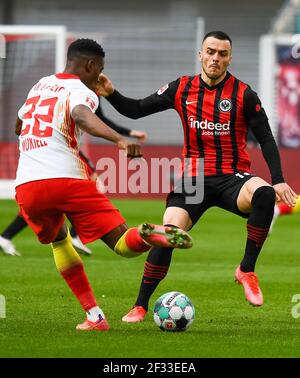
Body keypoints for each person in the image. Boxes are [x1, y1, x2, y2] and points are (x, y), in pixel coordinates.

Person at [96, 30, 297, 322]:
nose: (216, 58)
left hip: (233, 176)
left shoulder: (244, 94)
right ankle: (140, 304)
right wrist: (112, 94)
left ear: (229, 59)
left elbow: (266, 138)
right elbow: (137, 110)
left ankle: (246, 270)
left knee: (265, 192)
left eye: (222, 54)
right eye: (211, 52)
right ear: (200, 54)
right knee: (169, 233)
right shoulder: (181, 88)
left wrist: (278, 178)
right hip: (194, 178)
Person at [14, 38, 192, 331]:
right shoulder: (82, 91)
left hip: (28, 185)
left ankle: (94, 316)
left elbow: (19, 126)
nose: (100, 75)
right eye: (100, 69)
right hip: (67, 178)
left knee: (60, 240)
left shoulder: (39, 85)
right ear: (90, 65)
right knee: (123, 245)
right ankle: (149, 235)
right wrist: (119, 139)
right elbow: (82, 117)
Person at [0, 105, 147, 257]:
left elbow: (99, 120)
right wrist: (123, 137)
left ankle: (7, 236)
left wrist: (128, 133)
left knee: (43, 204)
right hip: (55, 153)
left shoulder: (83, 93)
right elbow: (95, 121)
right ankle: (75, 236)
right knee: (65, 196)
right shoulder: (79, 92)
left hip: (50, 157)